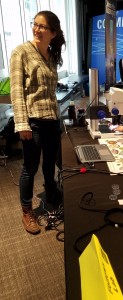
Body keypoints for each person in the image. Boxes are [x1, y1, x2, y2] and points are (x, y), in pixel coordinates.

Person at [10, 11, 66, 234]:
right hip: (32, 121)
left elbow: (50, 92)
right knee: (30, 168)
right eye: (35, 25)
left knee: (50, 162)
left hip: (51, 119)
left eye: (42, 26)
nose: (36, 29)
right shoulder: (21, 52)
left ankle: (51, 193)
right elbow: (16, 91)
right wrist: (21, 123)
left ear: (53, 32)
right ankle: (27, 211)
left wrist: (59, 117)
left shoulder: (51, 56)